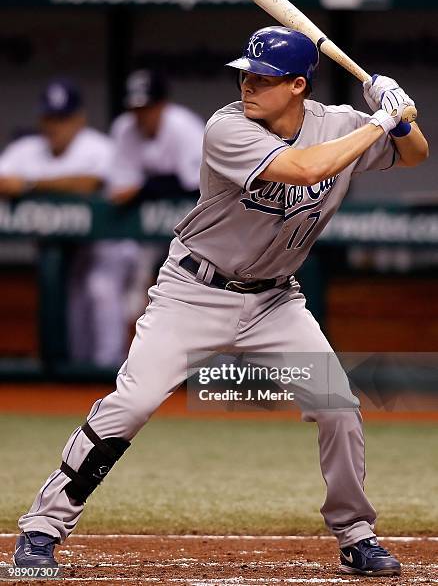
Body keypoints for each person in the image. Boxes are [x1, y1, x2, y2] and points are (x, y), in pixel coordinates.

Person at [13, 28, 428, 577]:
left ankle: (355, 534)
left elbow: (415, 156)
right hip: (193, 292)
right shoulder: (227, 127)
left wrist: (402, 118)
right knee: (131, 406)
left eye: (264, 77)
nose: (248, 83)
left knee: (339, 408)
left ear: (299, 86)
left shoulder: (338, 125)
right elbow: (306, 170)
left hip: (274, 301)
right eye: (245, 73)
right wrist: (378, 121)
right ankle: (41, 529)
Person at [0, 79, 114, 365]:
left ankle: (110, 370)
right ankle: (73, 376)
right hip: (65, 251)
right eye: (49, 117)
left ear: (78, 119)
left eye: (61, 118)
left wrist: (28, 184)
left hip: (107, 247)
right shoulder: (26, 148)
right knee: (71, 299)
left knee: (100, 289)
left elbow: (88, 183)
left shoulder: (97, 147)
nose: (54, 126)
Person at [107, 68, 204, 317]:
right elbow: (120, 189)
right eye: (135, 108)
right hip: (145, 231)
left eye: (146, 108)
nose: (140, 116)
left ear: (162, 104)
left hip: (193, 220)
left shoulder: (184, 127)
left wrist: (144, 189)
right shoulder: (124, 129)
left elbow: (195, 184)